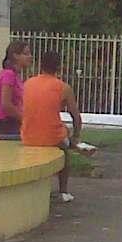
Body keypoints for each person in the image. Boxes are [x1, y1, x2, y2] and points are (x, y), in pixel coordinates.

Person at [21, 49, 82, 203]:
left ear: (40, 65)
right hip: (51, 138)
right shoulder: (63, 87)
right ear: (59, 67)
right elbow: (76, 116)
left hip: (28, 136)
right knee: (65, 151)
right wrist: (76, 137)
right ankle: (63, 190)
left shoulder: (28, 83)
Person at [0, 40, 31, 137]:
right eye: (26, 54)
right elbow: (6, 104)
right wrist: (25, 119)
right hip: (8, 124)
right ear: (15, 56)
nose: (30, 57)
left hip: (11, 122)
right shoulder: (9, 75)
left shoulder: (14, 75)